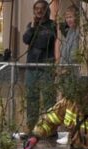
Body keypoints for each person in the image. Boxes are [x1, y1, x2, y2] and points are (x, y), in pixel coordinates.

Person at [23, 0, 57, 132]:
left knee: (48, 99)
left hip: (46, 67)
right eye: (36, 9)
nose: (39, 11)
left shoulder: (52, 25)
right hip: (32, 68)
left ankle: (50, 129)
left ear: (46, 11)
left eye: (42, 8)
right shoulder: (31, 25)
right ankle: (31, 128)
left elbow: (44, 42)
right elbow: (26, 40)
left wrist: (38, 29)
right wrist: (32, 27)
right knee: (32, 98)